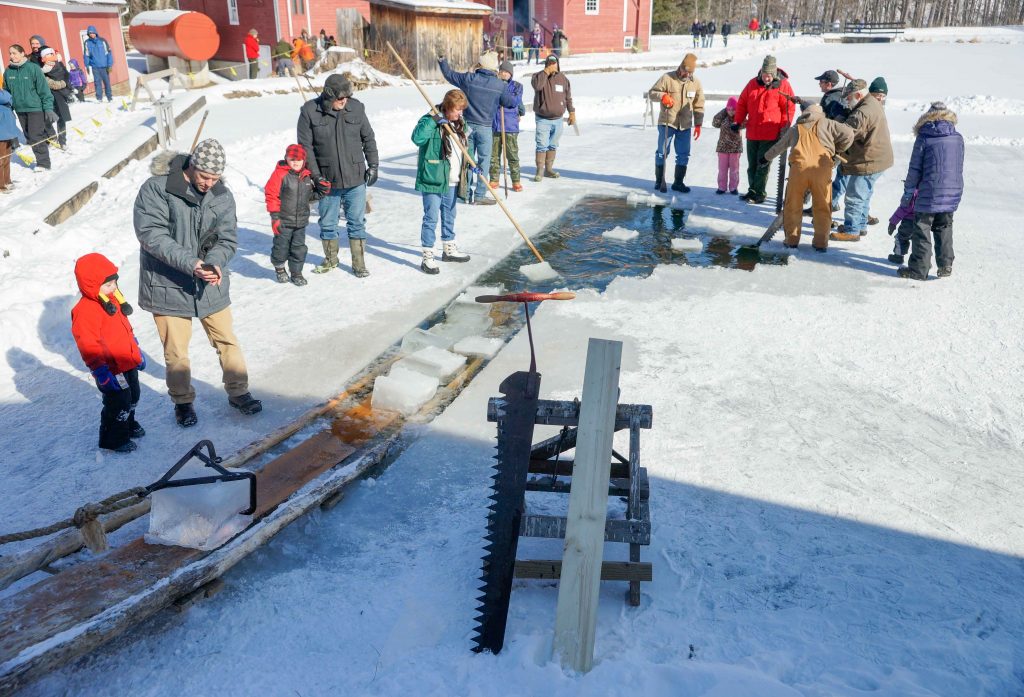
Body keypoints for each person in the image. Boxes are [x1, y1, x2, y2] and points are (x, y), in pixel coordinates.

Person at [133, 139, 262, 426]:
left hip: (209, 282)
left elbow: (227, 238)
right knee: (176, 351)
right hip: (168, 284)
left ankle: (239, 391)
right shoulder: (157, 189)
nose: (209, 183)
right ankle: (183, 402)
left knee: (227, 340)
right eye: (204, 177)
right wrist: (191, 264)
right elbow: (152, 235)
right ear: (191, 167)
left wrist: (215, 261)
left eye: (215, 178)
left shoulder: (221, 195)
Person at [297, 74, 379, 277]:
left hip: (355, 177)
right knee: (327, 223)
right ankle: (330, 260)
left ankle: (359, 264)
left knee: (357, 222)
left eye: (347, 97)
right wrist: (315, 176)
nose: (344, 101)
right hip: (327, 180)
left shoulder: (357, 108)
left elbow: (368, 138)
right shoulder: (309, 112)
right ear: (329, 95)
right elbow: (305, 148)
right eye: (340, 97)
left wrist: (374, 164)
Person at [71, 253, 146, 453]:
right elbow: (88, 344)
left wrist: (135, 350)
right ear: (91, 285)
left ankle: (128, 424)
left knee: (134, 396)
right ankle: (113, 438)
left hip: (126, 361)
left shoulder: (112, 300)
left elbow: (124, 328)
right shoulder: (85, 311)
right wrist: (100, 371)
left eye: (114, 282)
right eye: (108, 284)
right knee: (119, 403)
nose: (113, 287)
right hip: (111, 369)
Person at [761, 103, 855, 251]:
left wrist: (765, 158)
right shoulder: (829, 123)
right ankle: (821, 243)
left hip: (799, 171)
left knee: (793, 206)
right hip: (822, 169)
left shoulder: (795, 128)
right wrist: (838, 150)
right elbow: (849, 134)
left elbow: (779, 146)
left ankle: (791, 240)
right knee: (822, 207)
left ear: (804, 113)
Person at [437, 49, 516, 204]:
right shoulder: (499, 85)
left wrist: (442, 60)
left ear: (481, 65)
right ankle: (479, 195)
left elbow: (449, 74)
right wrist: (504, 89)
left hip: (467, 126)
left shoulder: (469, 79)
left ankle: (465, 193)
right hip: (485, 127)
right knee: (484, 161)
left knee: (467, 160)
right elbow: (509, 102)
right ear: (494, 67)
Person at [897, 102, 964, 280]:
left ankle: (919, 270)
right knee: (944, 226)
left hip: (929, 190)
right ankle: (946, 265)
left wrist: (908, 191)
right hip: (953, 190)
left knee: (922, 228)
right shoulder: (957, 137)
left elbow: (915, 168)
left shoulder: (924, 137)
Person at [412, 89, 474, 274]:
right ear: (447, 107)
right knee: (431, 217)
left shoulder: (460, 123)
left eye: (462, 109)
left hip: (452, 179)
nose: (460, 113)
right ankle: (428, 257)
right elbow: (417, 138)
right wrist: (433, 121)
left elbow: (465, 147)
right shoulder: (429, 120)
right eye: (457, 109)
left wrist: (472, 164)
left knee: (449, 215)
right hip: (433, 177)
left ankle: (449, 249)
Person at [829, 79, 893, 241]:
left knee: (855, 195)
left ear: (858, 95)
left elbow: (846, 135)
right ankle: (860, 225)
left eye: (849, 98)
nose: (847, 102)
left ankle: (852, 230)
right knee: (864, 193)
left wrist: (838, 119)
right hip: (878, 158)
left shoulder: (862, 112)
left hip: (869, 160)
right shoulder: (871, 101)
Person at [731, 55, 795, 203]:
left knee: (762, 164)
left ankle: (759, 193)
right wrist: (738, 121)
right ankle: (752, 190)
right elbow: (742, 104)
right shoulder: (752, 84)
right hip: (753, 132)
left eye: (770, 75)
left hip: (770, 133)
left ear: (774, 74)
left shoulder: (783, 86)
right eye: (765, 75)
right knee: (751, 165)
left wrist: (784, 127)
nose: (767, 78)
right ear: (761, 72)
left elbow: (788, 108)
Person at [647, 53, 705, 193]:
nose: (686, 73)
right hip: (667, 122)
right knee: (662, 152)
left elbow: (699, 104)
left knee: (683, 154)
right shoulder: (667, 78)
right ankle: (659, 180)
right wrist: (663, 96)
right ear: (680, 67)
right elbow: (652, 92)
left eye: (690, 72)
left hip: (685, 125)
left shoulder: (695, 83)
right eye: (685, 70)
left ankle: (678, 183)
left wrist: (698, 124)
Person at [264, 143, 317, 285]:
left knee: (299, 248)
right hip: (283, 221)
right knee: (281, 247)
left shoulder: (306, 176)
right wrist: (275, 217)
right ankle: (280, 269)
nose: (295, 162)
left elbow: (309, 197)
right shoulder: (280, 174)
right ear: (286, 158)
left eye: (299, 160)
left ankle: (296, 272)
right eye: (292, 159)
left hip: (301, 222)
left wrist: (321, 192)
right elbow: (271, 195)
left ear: (304, 161)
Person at [4, 44, 54, 171]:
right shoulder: (8, 71)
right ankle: (42, 156)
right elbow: (7, 92)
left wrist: (48, 108)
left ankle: (43, 163)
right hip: (20, 110)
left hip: (35, 108)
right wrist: (8, 109)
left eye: (14, 53)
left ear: (22, 53)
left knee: (35, 135)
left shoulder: (33, 68)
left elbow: (44, 90)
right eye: (10, 53)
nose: (11, 56)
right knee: (29, 136)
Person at [531, 54, 575, 182]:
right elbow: (538, 86)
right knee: (542, 145)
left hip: (558, 119)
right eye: (549, 63)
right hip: (543, 119)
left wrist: (571, 112)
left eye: (554, 63)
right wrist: (546, 72)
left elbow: (568, 98)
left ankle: (548, 169)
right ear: (546, 64)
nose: (552, 65)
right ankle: (539, 171)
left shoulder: (563, 79)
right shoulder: (538, 76)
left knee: (553, 145)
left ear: (558, 64)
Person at [489, 62, 525, 192]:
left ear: (511, 74)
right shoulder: (493, 85)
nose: (503, 73)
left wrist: (503, 88)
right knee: (494, 156)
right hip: (495, 125)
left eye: (506, 72)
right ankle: (494, 179)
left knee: (512, 155)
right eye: (501, 71)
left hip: (510, 126)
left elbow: (515, 101)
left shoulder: (517, 86)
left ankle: (516, 180)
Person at [40, 48, 71, 149]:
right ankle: (52, 137)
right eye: (47, 55)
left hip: (60, 95)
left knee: (61, 117)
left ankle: (62, 141)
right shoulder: (43, 69)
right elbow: (42, 79)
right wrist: (53, 83)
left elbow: (66, 75)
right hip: (48, 95)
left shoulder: (60, 64)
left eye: (50, 55)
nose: (49, 57)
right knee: (47, 118)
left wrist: (64, 84)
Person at [712, 96, 743, 195]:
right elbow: (715, 122)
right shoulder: (723, 118)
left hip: (735, 149)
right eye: (729, 109)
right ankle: (722, 187)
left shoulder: (739, 119)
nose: (731, 111)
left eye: (733, 109)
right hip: (722, 148)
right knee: (722, 170)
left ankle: (733, 188)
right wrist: (724, 111)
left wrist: (739, 113)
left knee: (734, 170)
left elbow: (746, 123)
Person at [0, 87, 23, 193]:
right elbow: (5, 98)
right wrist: (7, 95)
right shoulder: (2, 94)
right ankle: (1, 185)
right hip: (2, 130)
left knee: (7, 156)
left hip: (7, 129)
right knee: (1, 158)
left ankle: (7, 180)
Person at [83, 26, 113, 102]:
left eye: (93, 33)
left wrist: (109, 65)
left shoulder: (102, 41)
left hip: (104, 66)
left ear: (95, 32)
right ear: (88, 34)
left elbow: (108, 53)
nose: (92, 34)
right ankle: (99, 98)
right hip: (95, 67)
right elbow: (86, 55)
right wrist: (86, 65)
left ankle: (109, 97)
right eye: (90, 33)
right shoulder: (87, 43)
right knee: (97, 83)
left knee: (107, 82)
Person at [886, 190, 917, 265]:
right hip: (924, 221)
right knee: (921, 241)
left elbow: (904, 208)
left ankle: (898, 256)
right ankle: (924, 260)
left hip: (909, 222)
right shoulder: (928, 190)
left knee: (900, 237)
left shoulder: (912, 193)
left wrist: (893, 222)